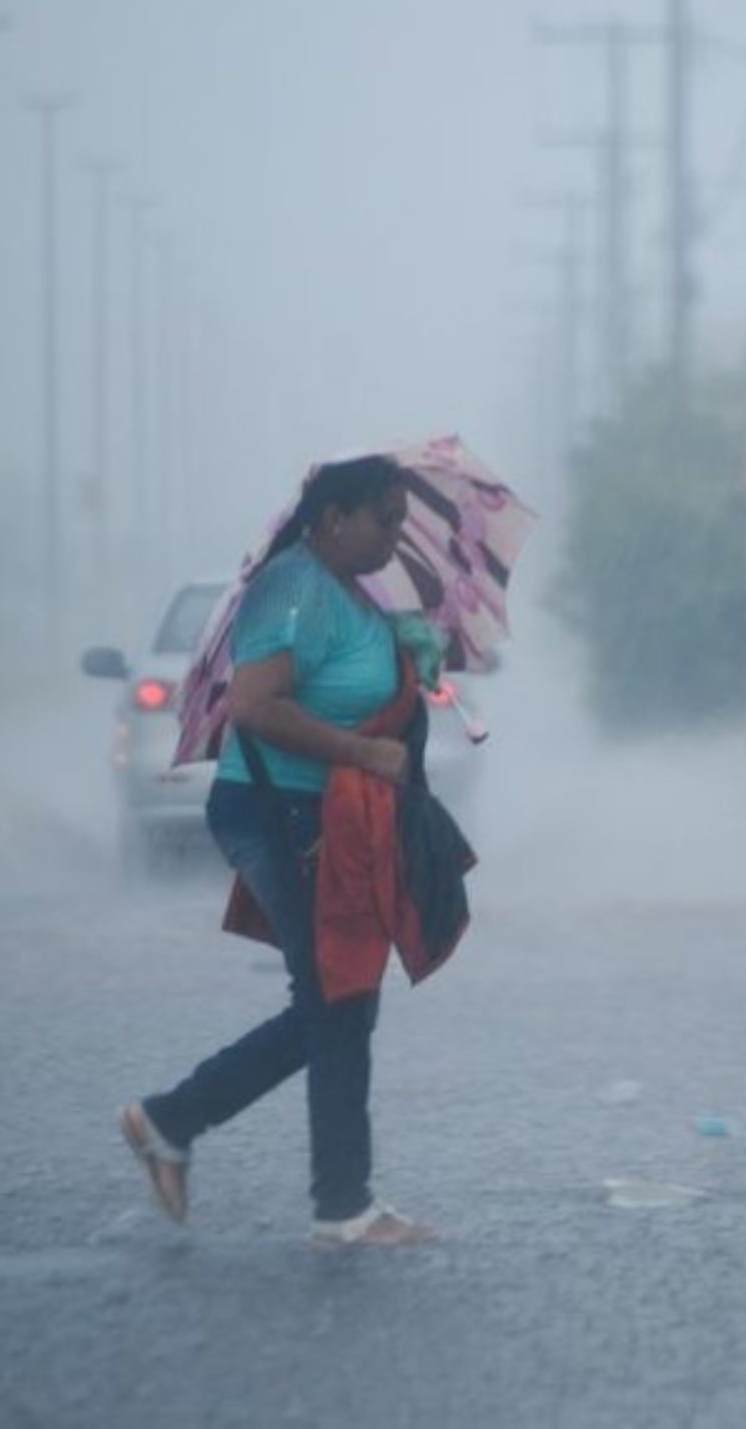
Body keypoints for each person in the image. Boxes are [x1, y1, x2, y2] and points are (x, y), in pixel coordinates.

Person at [121, 454, 470, 1250]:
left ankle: (178, 1124)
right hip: (278, 815)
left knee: (337, 1001)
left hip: (336, 823)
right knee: (337, 1002)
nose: (394, 534)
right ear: (332, 517)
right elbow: (253, 707)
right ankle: (336, 1203)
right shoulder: (290, 587)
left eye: (399, 520)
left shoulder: (350, 592)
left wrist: (409, 656)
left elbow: (349, 685)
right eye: (383, 517)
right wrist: (360, 752)